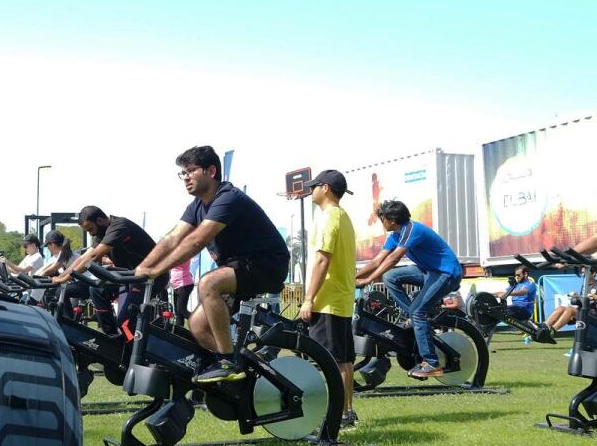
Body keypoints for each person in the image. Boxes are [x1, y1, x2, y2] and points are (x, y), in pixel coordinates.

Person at [134, 145, 290, 383]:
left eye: (190, 171)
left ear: (212, 171)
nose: (185, 177)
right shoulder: (197, 206)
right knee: (197, 324)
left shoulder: (228, 197)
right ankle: (247, 375)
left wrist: (157, 271)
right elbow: (172, 238)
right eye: (182, 173)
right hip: (240, 267)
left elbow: (196, 240)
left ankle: (229, 362)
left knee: (209, 283)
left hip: (267, 265)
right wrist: (142, 268)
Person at [355, 200, 463, 379]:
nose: (381, 222)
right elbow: (377, 261)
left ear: (391, 219)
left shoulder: (412, 230)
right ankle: (412, 317)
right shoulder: (395, 235)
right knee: (391, 277)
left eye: (382, 218)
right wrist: (355, 278)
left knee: (418, 312)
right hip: (429, 272)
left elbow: (392, 260)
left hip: (446, 273)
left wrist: (369, 279)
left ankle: (431, 363)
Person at [296, 170, 358, 427]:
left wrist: (309, 299)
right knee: (344, 360)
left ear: (326, 188)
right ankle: (346, 412)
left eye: (314, 187)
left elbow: (323, 258)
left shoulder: (328, 218)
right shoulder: (344, 218)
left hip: (327, 300)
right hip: (340, 299)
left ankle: (339, 415)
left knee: (332, 362)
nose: (311, 191)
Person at [53, 206, 163, 336]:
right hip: (130, 275)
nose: (91, 234)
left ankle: (139, 352)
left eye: (90, 229)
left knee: (124, 322)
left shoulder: (119, 226)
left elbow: (93, 257)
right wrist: (62, 277)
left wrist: (65, 278)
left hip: (151, 276)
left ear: (99, 221)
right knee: (97, 289)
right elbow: (84, 257)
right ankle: (111, 336)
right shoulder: (102, 234)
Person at [0, 234, 46, 304]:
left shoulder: (37, 257)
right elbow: (16, 271)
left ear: (33, 245)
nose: (24, 248)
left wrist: (7, 262)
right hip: (28, 290)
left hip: (35, 292)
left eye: (25, 246)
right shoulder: (28, 257)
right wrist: (3, 266)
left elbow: (23, 270)